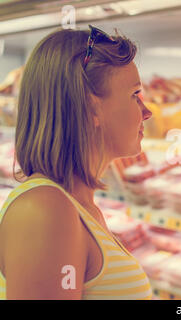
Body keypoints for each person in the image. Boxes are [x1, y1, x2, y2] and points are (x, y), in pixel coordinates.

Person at [0, 25, 152, 300]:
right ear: (90, 106)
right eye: (134, 95)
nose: (147, 111)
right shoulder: (45, 211)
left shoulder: (77, 205)